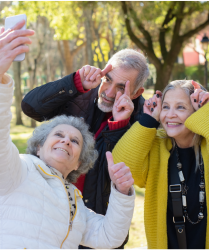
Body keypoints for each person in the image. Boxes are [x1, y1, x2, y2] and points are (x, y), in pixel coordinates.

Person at [0, 19, 136, 249]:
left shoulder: (76, 204)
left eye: (75, 141)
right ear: (39, 146)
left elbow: (110, 237)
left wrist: (122, 192)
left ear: (80, 162)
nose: (65, 141)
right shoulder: (18, 172)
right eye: (58, 134)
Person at [22, 47, 149, 248]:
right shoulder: (80, 92)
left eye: (120, 87)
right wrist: (74, 82)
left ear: (137, 92)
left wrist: (119, 126)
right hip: (50, 213)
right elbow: (30, 106)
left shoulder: (143, 121)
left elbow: (115, 173)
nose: (108, 92)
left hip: (96, 226)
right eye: (107, 79)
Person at [112, 80, 209, 249]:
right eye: (166, 107)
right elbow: (123, 167)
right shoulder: (156, 145)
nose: (170, 115)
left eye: (180, 107)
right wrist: (148, 120)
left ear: (197, 112)